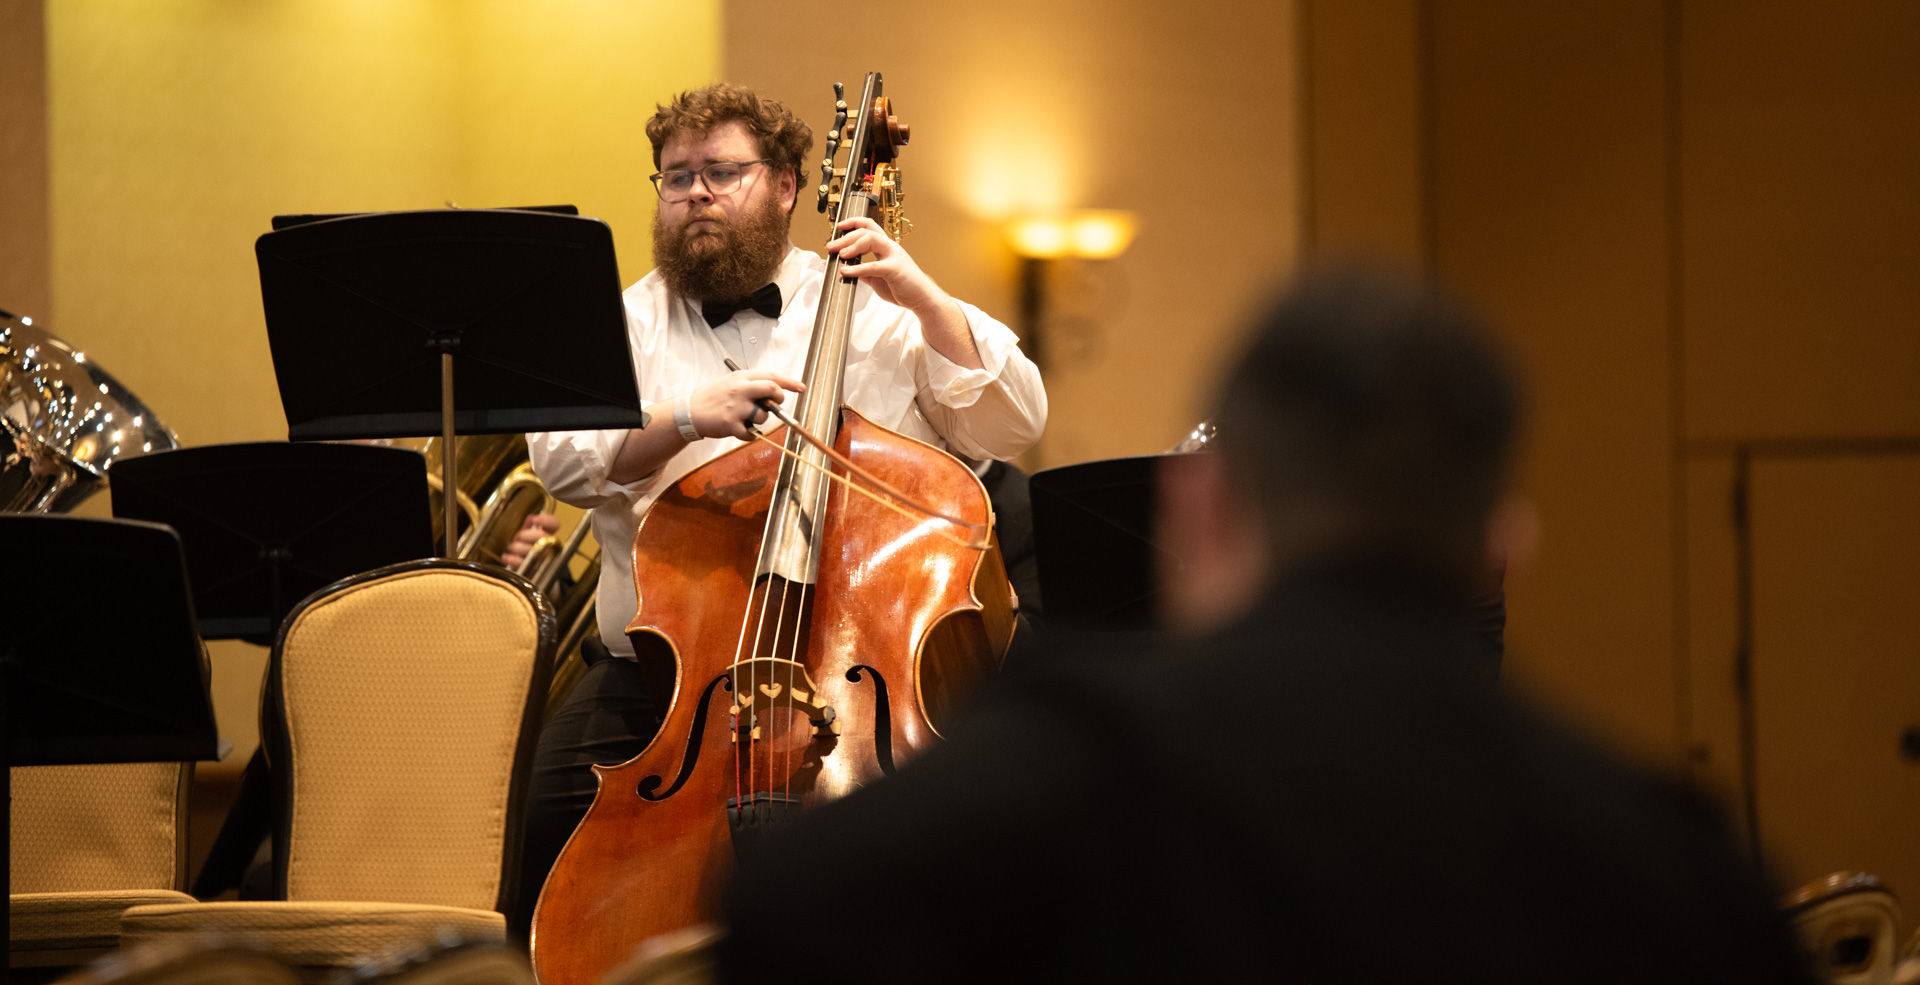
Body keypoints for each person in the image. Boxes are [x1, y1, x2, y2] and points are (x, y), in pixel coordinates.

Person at [719, 270, 1808, 984]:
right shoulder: (1666, 856)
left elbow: (783, 911)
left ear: (1201, 504)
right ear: (1503, 543)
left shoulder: (1066, 767)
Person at [510, 82, 1045, 938]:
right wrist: (685, 416)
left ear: (789, 185)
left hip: (846, 674)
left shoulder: (875, 303)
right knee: (534, 831)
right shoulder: (629, 319)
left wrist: (926, 298)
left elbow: (1016, 420)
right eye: (676, 176)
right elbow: (559, 458)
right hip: (664, 686)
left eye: (722, 171)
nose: (696, 194)